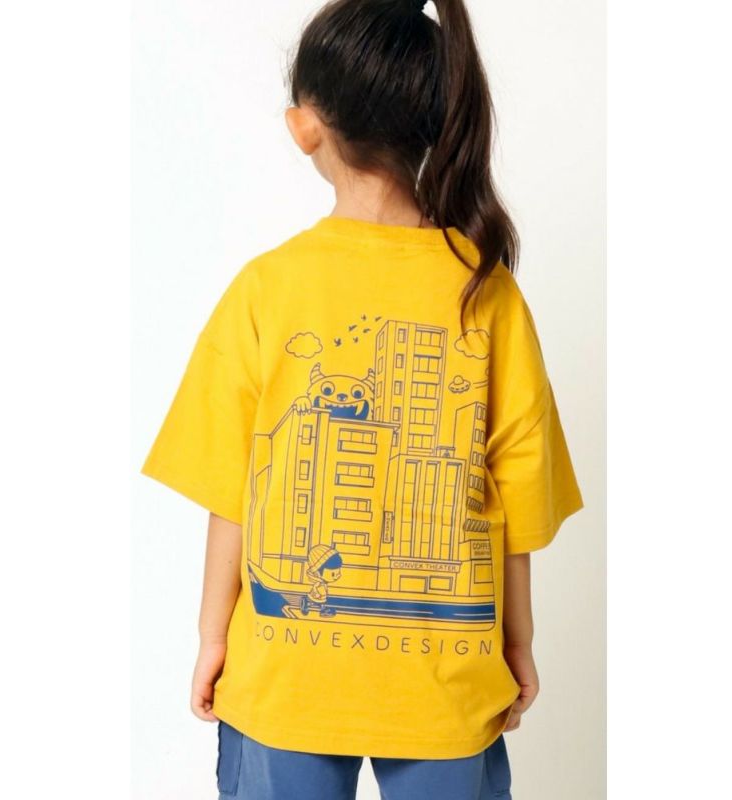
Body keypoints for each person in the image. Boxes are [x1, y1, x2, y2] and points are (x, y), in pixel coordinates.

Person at [142, 0, 583, 797]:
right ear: (435, 119)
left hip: (285, 682)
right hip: (447, 684)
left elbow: (231, 493)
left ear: (305, 126)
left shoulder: (267, 289)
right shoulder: (488, 294)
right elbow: (515, 503)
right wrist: (518, 642)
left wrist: (213, 636)